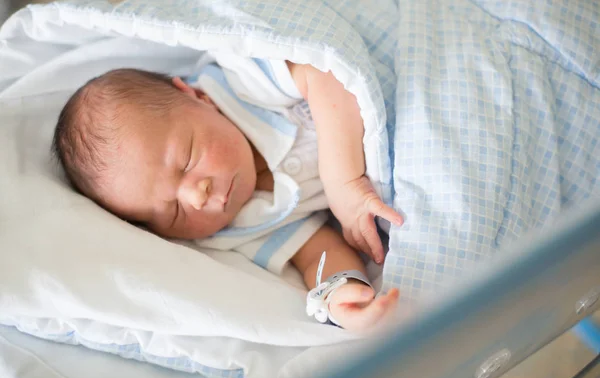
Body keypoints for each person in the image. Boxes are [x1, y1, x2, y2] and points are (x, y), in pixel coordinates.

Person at [52, 56, 404, 332]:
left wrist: (345, 185)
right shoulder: (240, 226)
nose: (197, 197)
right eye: (174, 211)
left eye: (187, 160)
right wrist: (340, 295)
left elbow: (325, 72)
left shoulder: (242, 79)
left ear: (198, 97)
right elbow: (316, 253)